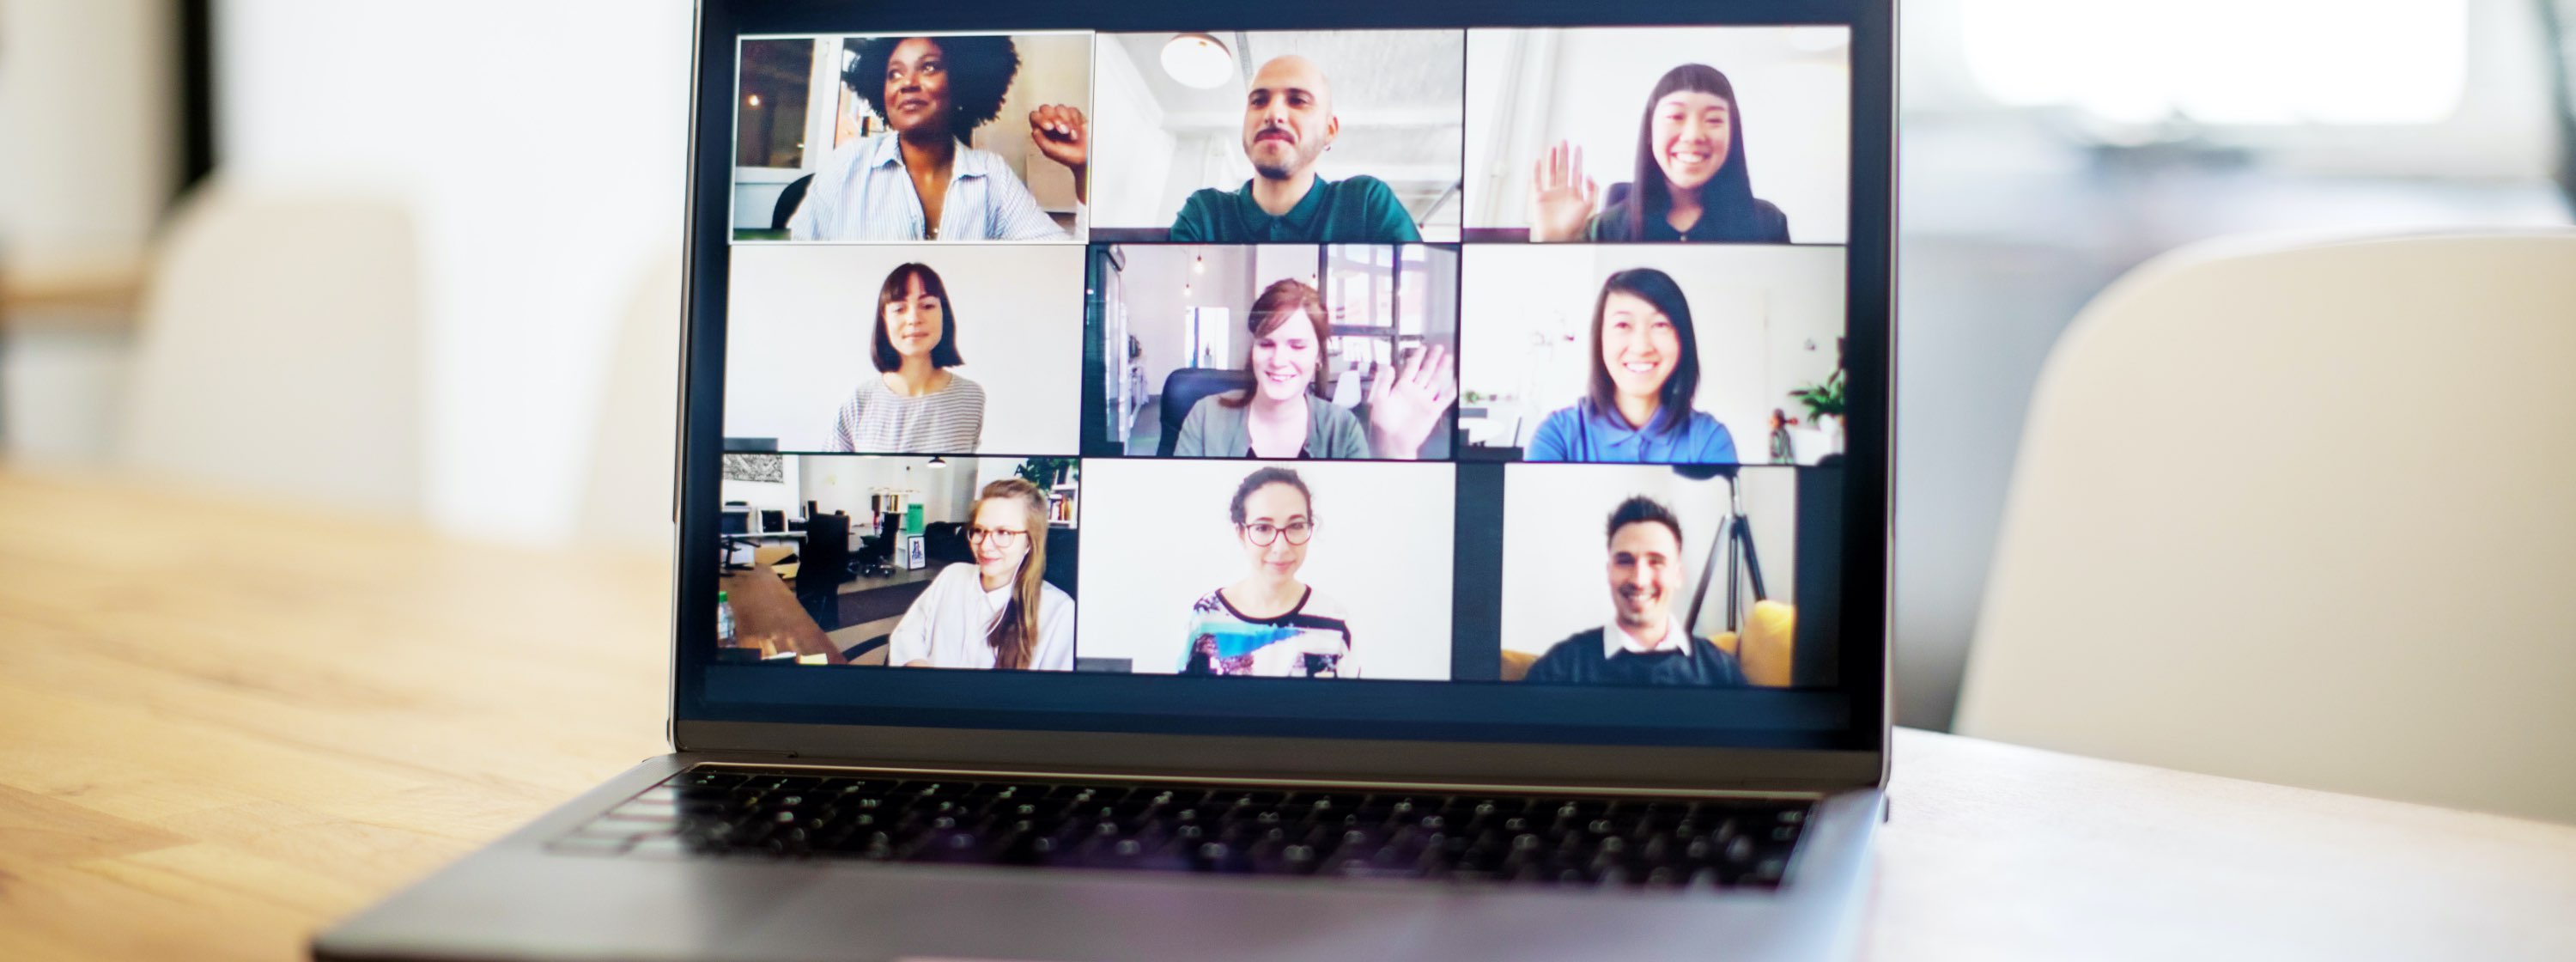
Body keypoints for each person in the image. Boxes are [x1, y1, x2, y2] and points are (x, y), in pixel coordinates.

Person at [787, 34, 1086, 241]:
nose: (907, 84)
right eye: (894, 73)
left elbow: (1061, 264)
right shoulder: (846, 166)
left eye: (928, 67)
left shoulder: (992, 176)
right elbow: (794, 266)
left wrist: (1083, 169)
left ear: (960, 82)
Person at [1170, 278, 1454, 460]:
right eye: (1267, 344)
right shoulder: (1205, 416)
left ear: (1318, 355)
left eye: (1297, 346)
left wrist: (1396, 451)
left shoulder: (1341, 429)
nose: (1279, 360)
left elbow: (1366, 528)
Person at [1166, 56, 1420, 243]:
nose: (1273, 114)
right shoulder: (1206, 213)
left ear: (1330, 130)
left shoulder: (1366, 204)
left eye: (1298, 100)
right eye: (1259, 101)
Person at [1528, 64, 1789, 243]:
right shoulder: (1606, 228)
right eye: (1676, 116)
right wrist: (1555, 241)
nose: (1693, 135)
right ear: (1650, 132)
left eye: (1713, 120)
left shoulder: (1769, 224)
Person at [1522, 496, 1744, 686]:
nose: (1639, 580)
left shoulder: (1720, 671)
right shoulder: (1561, 668)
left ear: (1678, 575)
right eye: (1625, 561)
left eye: (1656, 561)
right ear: (1608, 571)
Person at [1524, 268, 1737, 464]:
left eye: (1660, 325)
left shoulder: (1709, 439)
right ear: (1600, 339)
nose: (1641, 347)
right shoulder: (1557, 436)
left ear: (1682, 339)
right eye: (1623, 325)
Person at [1181, 467, 1358, 678]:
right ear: (1241, 533)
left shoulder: (1334, 621)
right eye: (1263, 528)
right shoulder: (1207, 616)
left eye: (1296, 526)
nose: (1281, 547)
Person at [888, 478, 1074, 670]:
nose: (985, 546)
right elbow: (907, 633)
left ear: (1029, 542)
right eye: (979, 530)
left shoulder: (1059, 612)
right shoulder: (952, 576)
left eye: (1003, 532)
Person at [829, 263, 985, 453]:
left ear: (943, 313)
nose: (913, 318)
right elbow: (830, 478)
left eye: (927, 305)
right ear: (884, 317)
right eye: (899, 309)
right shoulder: (858, 401)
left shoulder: (972, 397)